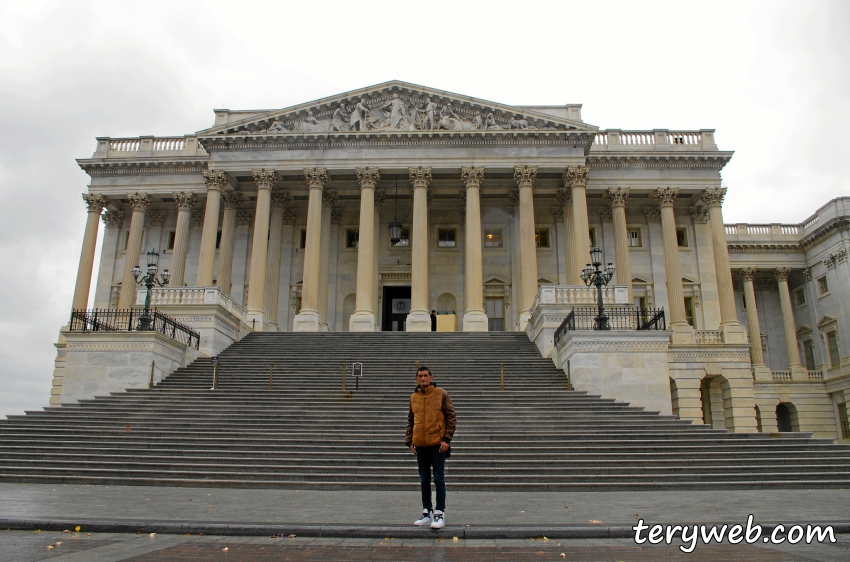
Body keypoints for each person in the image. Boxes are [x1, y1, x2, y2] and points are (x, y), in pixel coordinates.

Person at [405, 365, 456, 529]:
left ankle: (439, 513)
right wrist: (409, 440)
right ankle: (427, 511)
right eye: (420, 376)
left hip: (437, 444)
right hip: (420, 444)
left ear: (431, 378)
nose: (423, 379)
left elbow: (451, 416)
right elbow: (411, 420)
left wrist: (446, 439)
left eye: (426, 376)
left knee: (439, 478)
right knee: (424, 479)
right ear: (416, 379)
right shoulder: (413, 397)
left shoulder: (441, 394)